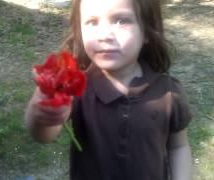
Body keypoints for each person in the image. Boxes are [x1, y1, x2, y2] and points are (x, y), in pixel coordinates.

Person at [24, 0, 193, 179]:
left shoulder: (168, 92)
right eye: (92, 22)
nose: (104, 35)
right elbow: (44, 136)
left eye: (121, 20)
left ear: (147, 31)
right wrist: (41, 115)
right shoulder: (76, 87)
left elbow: (178, 146)